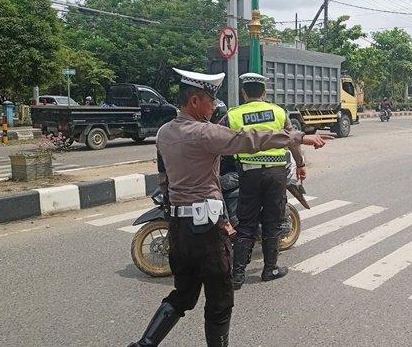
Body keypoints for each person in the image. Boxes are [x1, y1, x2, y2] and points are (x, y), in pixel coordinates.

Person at [128, 68, 330, 347]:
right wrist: (298, 137)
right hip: (206, 232)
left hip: (178, 229)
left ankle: (144, 344)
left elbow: (164, 179)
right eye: (210, 101)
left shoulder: (164, 133)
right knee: (220, 300)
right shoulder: (204, 133)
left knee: (183, 295)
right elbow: (247, 139)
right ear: (195, 101)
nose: (213, 107)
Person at [222, 72, 307, 290]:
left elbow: (217, 140)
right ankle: (270, 269)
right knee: (273, 220)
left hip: (248, 175)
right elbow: (293, 140)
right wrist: (300, 164)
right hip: (276, 175)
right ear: (265, 92)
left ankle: (237, 275)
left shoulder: (233, 115)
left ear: (243, 93)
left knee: (247, 222)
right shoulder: (278, 112)